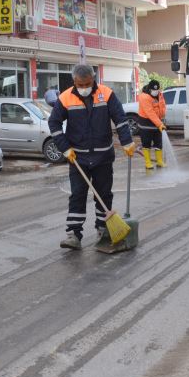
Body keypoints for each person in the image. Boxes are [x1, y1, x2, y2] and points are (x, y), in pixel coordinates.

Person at [48, 64, 136, 249]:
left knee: (103, 195)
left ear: (93, 79)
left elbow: (120, 118)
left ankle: (103, 230)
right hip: (77, 157)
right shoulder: (65, 98)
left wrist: (127, 142)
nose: (84, 87)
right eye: (80, 84)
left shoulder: (106, 94)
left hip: (103, 156)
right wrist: (65, 148)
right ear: (74, 81)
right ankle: (74, 235)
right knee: (78, 195)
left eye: (88, 83)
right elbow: (54, 123)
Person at [136, 80, 167, 170]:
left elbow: (163, 106)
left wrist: (162, 118)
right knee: (146, 144)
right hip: (146, 124)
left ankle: (160, 161)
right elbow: (150, 112)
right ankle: (148, 163)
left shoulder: (160, 95)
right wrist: (159, 124)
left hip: (157, 124)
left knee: (158, 143)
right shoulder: (144, 97)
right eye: (154, 90)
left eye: (157, 90)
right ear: (149, 89)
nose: (156, 92)